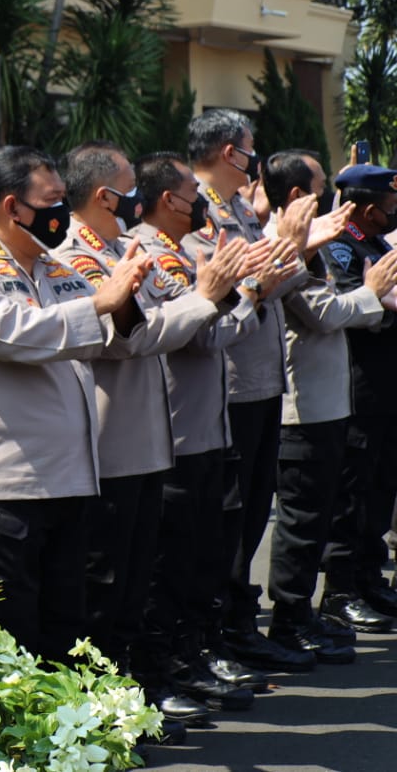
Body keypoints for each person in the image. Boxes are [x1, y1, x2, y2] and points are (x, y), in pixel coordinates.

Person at [0, 146, 150, 663]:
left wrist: (126, 292)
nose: (60, 214)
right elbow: (13, 334)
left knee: (63, 637)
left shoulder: (56, 270)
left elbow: (110, 340)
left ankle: (66, 742)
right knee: (3, 646)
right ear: (12, 207)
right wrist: (99, 304)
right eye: (50, 202)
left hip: (66, 485)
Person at [56, 142, 251, 725]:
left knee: (140, 580)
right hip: (112, 445)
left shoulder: (126, 249)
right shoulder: (78, 257)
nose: (134, 200)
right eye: (126, 189)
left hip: (149, 440)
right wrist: (207, 297)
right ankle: (103, 705)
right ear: (104, 195)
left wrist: (209, 296)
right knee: (108, 582)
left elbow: (173, 310)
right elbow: (136, 335)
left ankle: (142, 685)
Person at [129, 153, 298, 712]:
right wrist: (247, 294)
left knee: (203, 553)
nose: (199, 205)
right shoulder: (153, 255)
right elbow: (202, 337)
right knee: (171, 561)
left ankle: (192, 652)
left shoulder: (181, 254)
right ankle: (162, 667)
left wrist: (247, 290)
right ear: (162, 202)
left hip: (207, 427)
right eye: (188, 196)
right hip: (176, 433)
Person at [183, 109, 317, 672]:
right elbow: (220, 288)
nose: (253, 158)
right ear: (224, 152)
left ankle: (240, 620)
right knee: (226, 519)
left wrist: (297, 247)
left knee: (253, 510)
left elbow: (278, 282)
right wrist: (283, 248)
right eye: (247, 148)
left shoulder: (240, 206)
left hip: (262, 379)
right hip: (229, 383)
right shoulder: (194, 210)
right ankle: (218, 628)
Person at [262, 151, 392, 663]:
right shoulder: (286, 247)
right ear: (298, 197)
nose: (330, 201)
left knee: (330, 507)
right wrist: (375, 295)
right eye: (320, 189)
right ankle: (298, 614)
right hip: (306, 401)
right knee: (306, 517)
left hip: (333, 396)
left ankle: (308, 611)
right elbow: (323, 311)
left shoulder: (309, 245)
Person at [319, 164, 397, 632]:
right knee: (351, 494)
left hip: (386, 389)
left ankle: (369, 578)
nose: (394, 215)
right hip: (358, 389)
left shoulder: (375, 243)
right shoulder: (340, 246)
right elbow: (356, 307)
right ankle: (339, 592)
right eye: (390, 208)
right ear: (368, 210)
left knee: (380, 488)